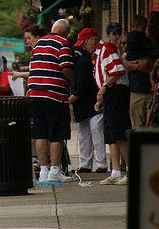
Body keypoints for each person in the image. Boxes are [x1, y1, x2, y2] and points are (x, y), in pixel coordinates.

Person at [27, 18, 75, 183]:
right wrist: (72, 82)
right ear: (66, 32)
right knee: (56, 134)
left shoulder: (39, 43)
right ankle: (55, 170)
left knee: (40, 133)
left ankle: (43, 171)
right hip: (54, 94)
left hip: (34, 93)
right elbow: (65, 67)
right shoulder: (63, 44)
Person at [94, 22, 131, 186]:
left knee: (117, 131)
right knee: (110, 133)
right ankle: (116, 171)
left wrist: (103, 89)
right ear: (108, 34)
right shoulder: (107, 49)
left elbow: (116, 71)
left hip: (116, 92)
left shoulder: (108, 48)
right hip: (112, 92)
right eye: (114, 33)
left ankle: (131, 170)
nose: (116, 36)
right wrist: (102, 93)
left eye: (118, 33)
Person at [69, 27, 107, 173]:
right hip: (85, 104)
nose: (84, 47)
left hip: (91, 103)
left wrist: (70, 99)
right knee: (86, 134)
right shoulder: (84, 61)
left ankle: (100, 163)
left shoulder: (82, 63)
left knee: (95, 132)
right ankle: (86, 163)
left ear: (92, 39)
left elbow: (82, 87)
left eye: (84, 43)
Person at [122, 15, 154, 128]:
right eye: (144, 27)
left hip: (145, 88)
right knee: (139, 124)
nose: (145, 30)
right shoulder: (140, 38)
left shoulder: (131, 38)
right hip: (139, 88)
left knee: (145, 125)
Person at [146, 55, 159, 127]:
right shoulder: (156, 86)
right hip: (157, 115)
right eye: (158, 70)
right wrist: (148, 119)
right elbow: (154, 102)